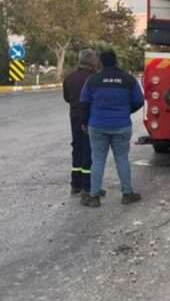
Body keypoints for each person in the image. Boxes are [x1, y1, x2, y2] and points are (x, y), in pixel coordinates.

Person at [79, 50, 144, 207]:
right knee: (122, 158)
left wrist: (84, 122)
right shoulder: (129, 80)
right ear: (116, 61)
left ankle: (94, 197)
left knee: (98, 160)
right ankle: (127, 194)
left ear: (101, 63)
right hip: (121, 125)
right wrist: (125, 111)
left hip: (97, 125)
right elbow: (139, 101)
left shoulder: (92, 80)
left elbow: (84, 103)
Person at [62, 49, 103, 196]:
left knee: (77, 148)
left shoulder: (70, 77)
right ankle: (88, 185)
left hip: (74, 116)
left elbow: (67, 98)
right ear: (92, 61)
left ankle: (75, 185)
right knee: (89, 150)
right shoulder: (94, 78)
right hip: (90, 118)